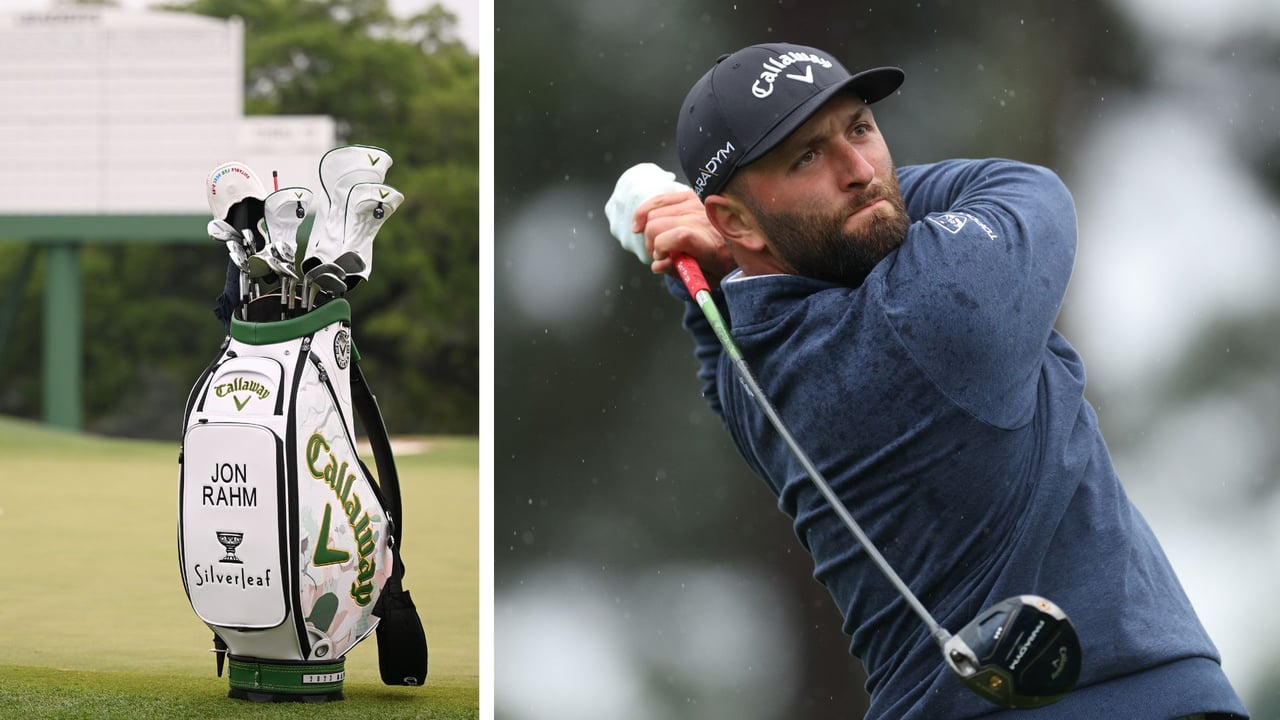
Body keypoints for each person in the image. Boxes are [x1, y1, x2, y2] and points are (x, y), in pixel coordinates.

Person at [609, 42, 1249, 719]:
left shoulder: (753, 382)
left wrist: (715, 234)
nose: (859, 170)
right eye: (806, 157)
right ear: (734, 220)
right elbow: (1028, 188)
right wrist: (698, 216)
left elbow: (722, 311)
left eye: (860, 128)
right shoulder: (935, 312)